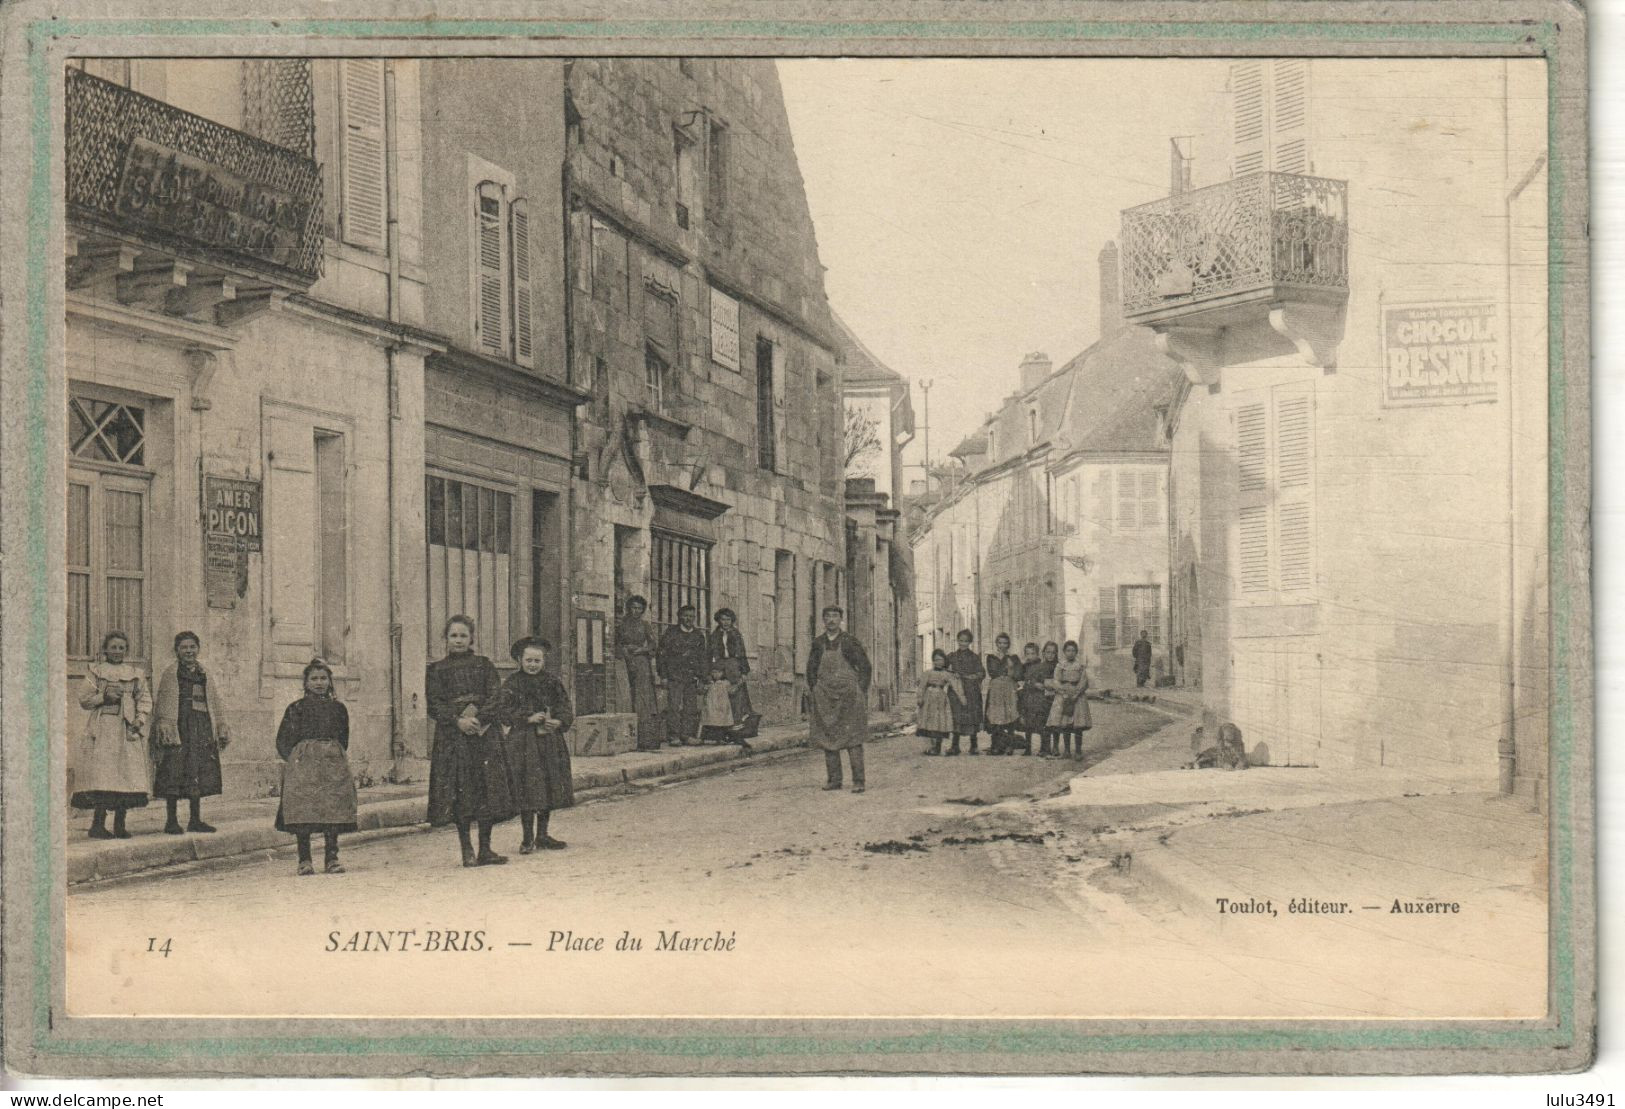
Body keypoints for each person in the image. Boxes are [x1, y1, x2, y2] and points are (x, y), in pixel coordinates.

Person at [426, 615, 515, 867]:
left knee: (486, 789)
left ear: (472, 638)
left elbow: (495, 695)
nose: (458, 640)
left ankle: (485, 848)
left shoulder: (484, 665)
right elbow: (434, 704)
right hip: (453, 738)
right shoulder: (436, 670)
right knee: (460, 791)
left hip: (484, 735)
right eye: (453, 635)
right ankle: (467, 849)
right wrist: (458, 721)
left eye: (463, 635)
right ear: (446, 639)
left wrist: (478, 718)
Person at [274, 658, 357, 876]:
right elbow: (283, 740)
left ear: (330, 682)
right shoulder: (296, 708)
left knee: (332, 809)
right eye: (314, 679)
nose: (319, 683)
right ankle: (305, 859)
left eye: (323, 678)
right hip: (304, 766)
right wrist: (296, 760)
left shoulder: (339, 709)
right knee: (304, 811)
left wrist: (331, 754)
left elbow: (344, 739)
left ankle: (332, 858)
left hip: (332, 764)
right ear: (306, 682)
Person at [495, 636, 574, 854]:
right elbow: (502, 711)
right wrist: (527, 718)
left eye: (537, 661)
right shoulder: (512, 683)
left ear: (544, 661)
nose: (533, 665)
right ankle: (527, 837)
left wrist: (559, 721)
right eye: (528, 660)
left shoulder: (552, 682)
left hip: (549, 741)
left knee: (548, 787)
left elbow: (565, 707)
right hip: (523, 744)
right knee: (527, 789)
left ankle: (543, 835)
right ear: (520, 660)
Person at [72, 631, 153, 839]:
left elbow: (144, 699)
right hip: (104, 732)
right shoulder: (96, 672)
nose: (117, 651)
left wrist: (139, 719)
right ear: (105, 649)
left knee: (126, 775)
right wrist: (103, 696)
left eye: (121, 648)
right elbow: (84, 699)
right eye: (113, 647)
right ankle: (97, 824)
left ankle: (120, 824)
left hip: (126, 731)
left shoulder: (135, 673)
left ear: (127, 650)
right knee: (104, 776)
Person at [153, 631, 229, 834]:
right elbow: (164, 702)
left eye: (192, 647)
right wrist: (167, 728)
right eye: (184, 647)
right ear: (177, 650)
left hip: (201, 726)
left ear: (198, 649)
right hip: (178, 727)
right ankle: (171, 820)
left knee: (197, 772)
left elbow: (213, 700)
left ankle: (195, 820)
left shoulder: (204, 673)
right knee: (174, 771)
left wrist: (219, 725)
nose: (189, 651)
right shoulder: (171, 673)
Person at [806, 606, 872, 792]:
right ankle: (834, 780)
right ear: (823, 620)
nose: (831, 620)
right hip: (825, 696)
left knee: (853, 738)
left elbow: (865, 667)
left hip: (849, 696)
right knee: (829, 735)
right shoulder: (818, 643)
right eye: (827, 616)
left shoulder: (850, 642)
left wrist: (860, 690)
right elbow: (811, 669)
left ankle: (859, 781)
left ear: (841, 619)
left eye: (835, 616)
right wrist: (815, 689)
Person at [615, 595, 664, 751]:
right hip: (625, 661)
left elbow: (652, 645)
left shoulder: (645, 625)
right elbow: (616, 643)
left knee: (643, 698)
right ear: (628, 608)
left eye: (639, 608)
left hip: (641, 662)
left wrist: (641, 649)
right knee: (626, 696)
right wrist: (624, 650)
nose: (636, 611)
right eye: (633, 608)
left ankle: (645, 739)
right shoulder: (621, 625)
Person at [656, 604, 709, 747]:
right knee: (673, 706)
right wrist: (663, 675)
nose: (688, 619)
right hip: (674, 676)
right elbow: (662, 655)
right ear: (679, 617)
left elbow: (703, 658)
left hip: (691, 677)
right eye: (685, 616)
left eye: (691, 616)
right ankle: (674, 736)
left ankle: (686, 735)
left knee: (690, 708)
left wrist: (703, 678)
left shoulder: (698, 636)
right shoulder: (671, 633)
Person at [709, 608, 759, 737]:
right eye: (723, 619)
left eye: (728, 619)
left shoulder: (736, 635)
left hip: (734, 666)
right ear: (718, 620)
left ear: (732, 621)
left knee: (736, 695)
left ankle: (737, 727)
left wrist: (743, 672)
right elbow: (709, 654)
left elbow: (742, 653)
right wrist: (712, 670)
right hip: (719, 666)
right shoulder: (714, 635)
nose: (725, 622)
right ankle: (721, 726)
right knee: (720, 696)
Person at [1047, 640, 1094, 760]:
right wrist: (1063, 692)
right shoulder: (1060, 665)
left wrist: (1076, 693)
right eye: (1068, 650)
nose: (1070, 653)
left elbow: (1084, 681)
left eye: (1073, 650)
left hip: (1077, 697)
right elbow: (1056, 680)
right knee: (1065, 725)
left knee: (1078, 725)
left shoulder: (1080, 666)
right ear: (1064, 652)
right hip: (1063, 695)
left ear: (1076, 652)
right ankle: (1067, 750)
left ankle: (1078, 751)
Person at [916, 649, 962, 757]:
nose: (938, 662)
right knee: (929, 721)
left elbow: (956, 686)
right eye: (936, 660)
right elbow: (922, 686)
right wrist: (920, 698)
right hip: (928, 699)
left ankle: (937, 747)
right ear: (933, 661)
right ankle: (930, 747)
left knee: (940, 722)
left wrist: (962, 699)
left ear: (944, 661)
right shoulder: (928, 673)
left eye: (941, 660)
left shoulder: (947, 674)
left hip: (941, 699)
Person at [983, 633, 1024, 755]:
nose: (1002, 646)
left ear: (1008, 644)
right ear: (996, 644)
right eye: (1000, 643)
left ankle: (1009, 745)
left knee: (1010, 714)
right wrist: (1007, 668)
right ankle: (996, 745)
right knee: (996, 715)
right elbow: (992, 671)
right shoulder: (991, 657)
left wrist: (1010, 670)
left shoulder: (1013, 657)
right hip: (996, 688)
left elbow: (1018, 673)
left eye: (1005, 643)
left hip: (1009, 687)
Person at [945, 629, 984, 756]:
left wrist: (970, 677)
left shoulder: (974, 657)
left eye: (966, 641)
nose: (963, 643)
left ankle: (974, 746)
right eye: (961, 640)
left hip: (971, 691)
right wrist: (951, 674)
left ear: (970, 642)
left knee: (972, 717)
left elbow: (981, 673)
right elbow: (943, 670)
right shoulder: (951, 656)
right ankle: (955, 746)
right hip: (956, 692)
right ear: (957, 641)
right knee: (957, 717)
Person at [1016, 641, 1053, 758]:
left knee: (1041, 724)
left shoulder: (1043, 666)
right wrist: (1030, 684)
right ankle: (1028, 748)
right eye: (1028, 654)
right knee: (1027, 724)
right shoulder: (1024, 667)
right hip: (1027, 698)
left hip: (1039, 699)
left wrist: (1030, 683)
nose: (1030, 656)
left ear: (1038, 654)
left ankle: (1045, 748)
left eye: (1033, 653)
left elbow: (1043, 684)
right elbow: (1020, 680)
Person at [698, 664, 745, 748]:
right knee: (709, 721)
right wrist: (704, 688)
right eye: (713, 672)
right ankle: (704, 737)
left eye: (718, 672)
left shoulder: (725, 683)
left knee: (721, 723)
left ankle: (720, 738)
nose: (716, 674)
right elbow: (700, 691)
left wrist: (738, 684)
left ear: (722, 673)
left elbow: (731, 691)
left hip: (722, 708)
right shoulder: (709, 683)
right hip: (710, 707)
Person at [1034, 641, 1061, 757]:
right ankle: (1044, 747)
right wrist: (1037, 684)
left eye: (1053, 653)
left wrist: (1057, 686)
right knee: (1043, 723)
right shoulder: (1040, 667)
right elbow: (1034, 680)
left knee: (1055, 723)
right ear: (1043, 653)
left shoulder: (1059, 666)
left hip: (1056, 698)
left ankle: (1055, 747)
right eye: (1048, 652)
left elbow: (1062, 681)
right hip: (1043, 699)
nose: (1050, 655)